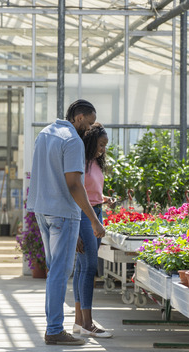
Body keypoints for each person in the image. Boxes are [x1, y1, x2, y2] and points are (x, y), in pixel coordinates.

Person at [26, 99, 105, 346]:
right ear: (79, 117)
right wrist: (94, 220)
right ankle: (54, 330)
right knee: (61, 272)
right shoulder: (72, 140)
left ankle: (54, 327)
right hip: (62, 212)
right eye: (89, 123)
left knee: (54, 272)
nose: (90, 129)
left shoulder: (45, 133)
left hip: (42, 210)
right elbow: (74, 184)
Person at [73, 123, 114, 338]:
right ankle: (88, 323)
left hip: (97, 212)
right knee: (89, 268)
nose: (102, 150)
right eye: (100, 145)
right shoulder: (79, 162)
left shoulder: (96, 163)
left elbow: (92, 190)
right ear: (90, 142)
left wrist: (105, 199)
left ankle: (80, 322)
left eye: (105, 146)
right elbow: (73, 192)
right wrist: (76, 232)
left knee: (82, 268)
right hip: (83, 215)